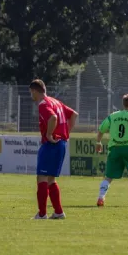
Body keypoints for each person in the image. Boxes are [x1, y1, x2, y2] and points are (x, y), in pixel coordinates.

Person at [29, 79, 78, 220]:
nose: (31, 96)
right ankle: (58, 212)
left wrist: (49, 134)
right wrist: (66, 133)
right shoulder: (56, 101)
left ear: (34, 91)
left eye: (31, 93)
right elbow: (74, 114)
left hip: (51, 144)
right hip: (61, 143)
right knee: (51, 179)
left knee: (42, 178)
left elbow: (53, 118)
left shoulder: (44, 104)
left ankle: (42, 214)